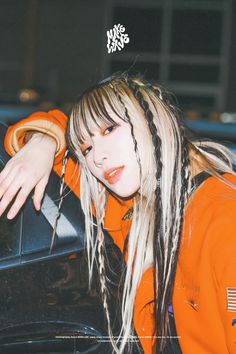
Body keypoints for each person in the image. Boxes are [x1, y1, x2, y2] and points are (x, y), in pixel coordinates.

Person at [1, 73, 236, 354]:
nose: (97, 157)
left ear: (153, 121)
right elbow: (55, 136)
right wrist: (42, 143)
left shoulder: (224, 218)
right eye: (86, 148)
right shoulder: (134, 213)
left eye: (109, 129)